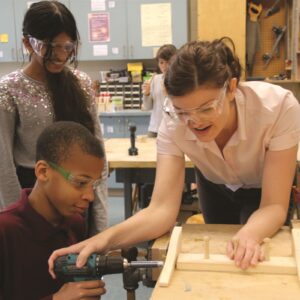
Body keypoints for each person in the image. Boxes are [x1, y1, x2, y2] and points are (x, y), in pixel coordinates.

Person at [48, 37, 300, 273]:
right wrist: (102, 241)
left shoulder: (278, 108)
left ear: (231, 88)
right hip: (215, 183)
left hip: (263, 189)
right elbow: (161, 209)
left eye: (206, 108)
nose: (194, 121)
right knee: (219, 256)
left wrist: (250, 234)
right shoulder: (172, 120)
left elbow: (273, 205)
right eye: (183, 111)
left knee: (255, 257)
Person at [0, 0, 108, 235]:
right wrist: (16, 220)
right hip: (33, 200)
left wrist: (100, 223)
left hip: (79, 196)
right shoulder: (8, 90)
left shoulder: (81, 84)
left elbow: (97, 151)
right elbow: (4, 165)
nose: (61, 55)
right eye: (51, 47)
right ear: (28, 43)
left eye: (67, 47)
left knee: (77, 267)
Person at [0, 121, 106, 300]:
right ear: (43, 172)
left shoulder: (75, 222)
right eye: (80, 183)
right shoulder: (5, 231)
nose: (90, 196)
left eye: (94, 185)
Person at [142, 44, 177, 137]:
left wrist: (167, 95)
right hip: (154, 129)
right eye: (161, 62)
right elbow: (147, 107)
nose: (164, 66)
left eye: (168, 62)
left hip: (173, 130)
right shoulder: (155, 79)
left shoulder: (180, 81)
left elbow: (179, 108)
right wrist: (147, 93)